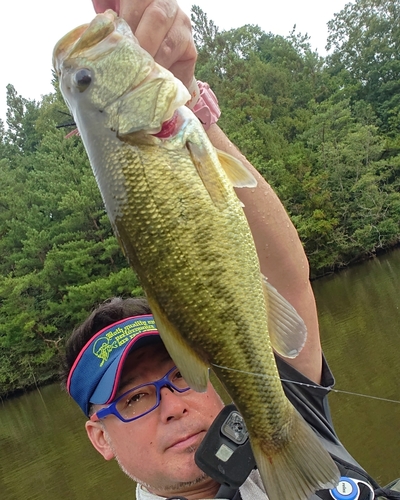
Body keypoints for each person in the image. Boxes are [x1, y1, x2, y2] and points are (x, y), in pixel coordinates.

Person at [62, 1, 390, 499]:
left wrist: (186, 93)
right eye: (133, 399)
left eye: (180, 373)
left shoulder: (276, 406)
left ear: (213, 373)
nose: (172, 405)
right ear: (100, 437)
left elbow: (286, 276)